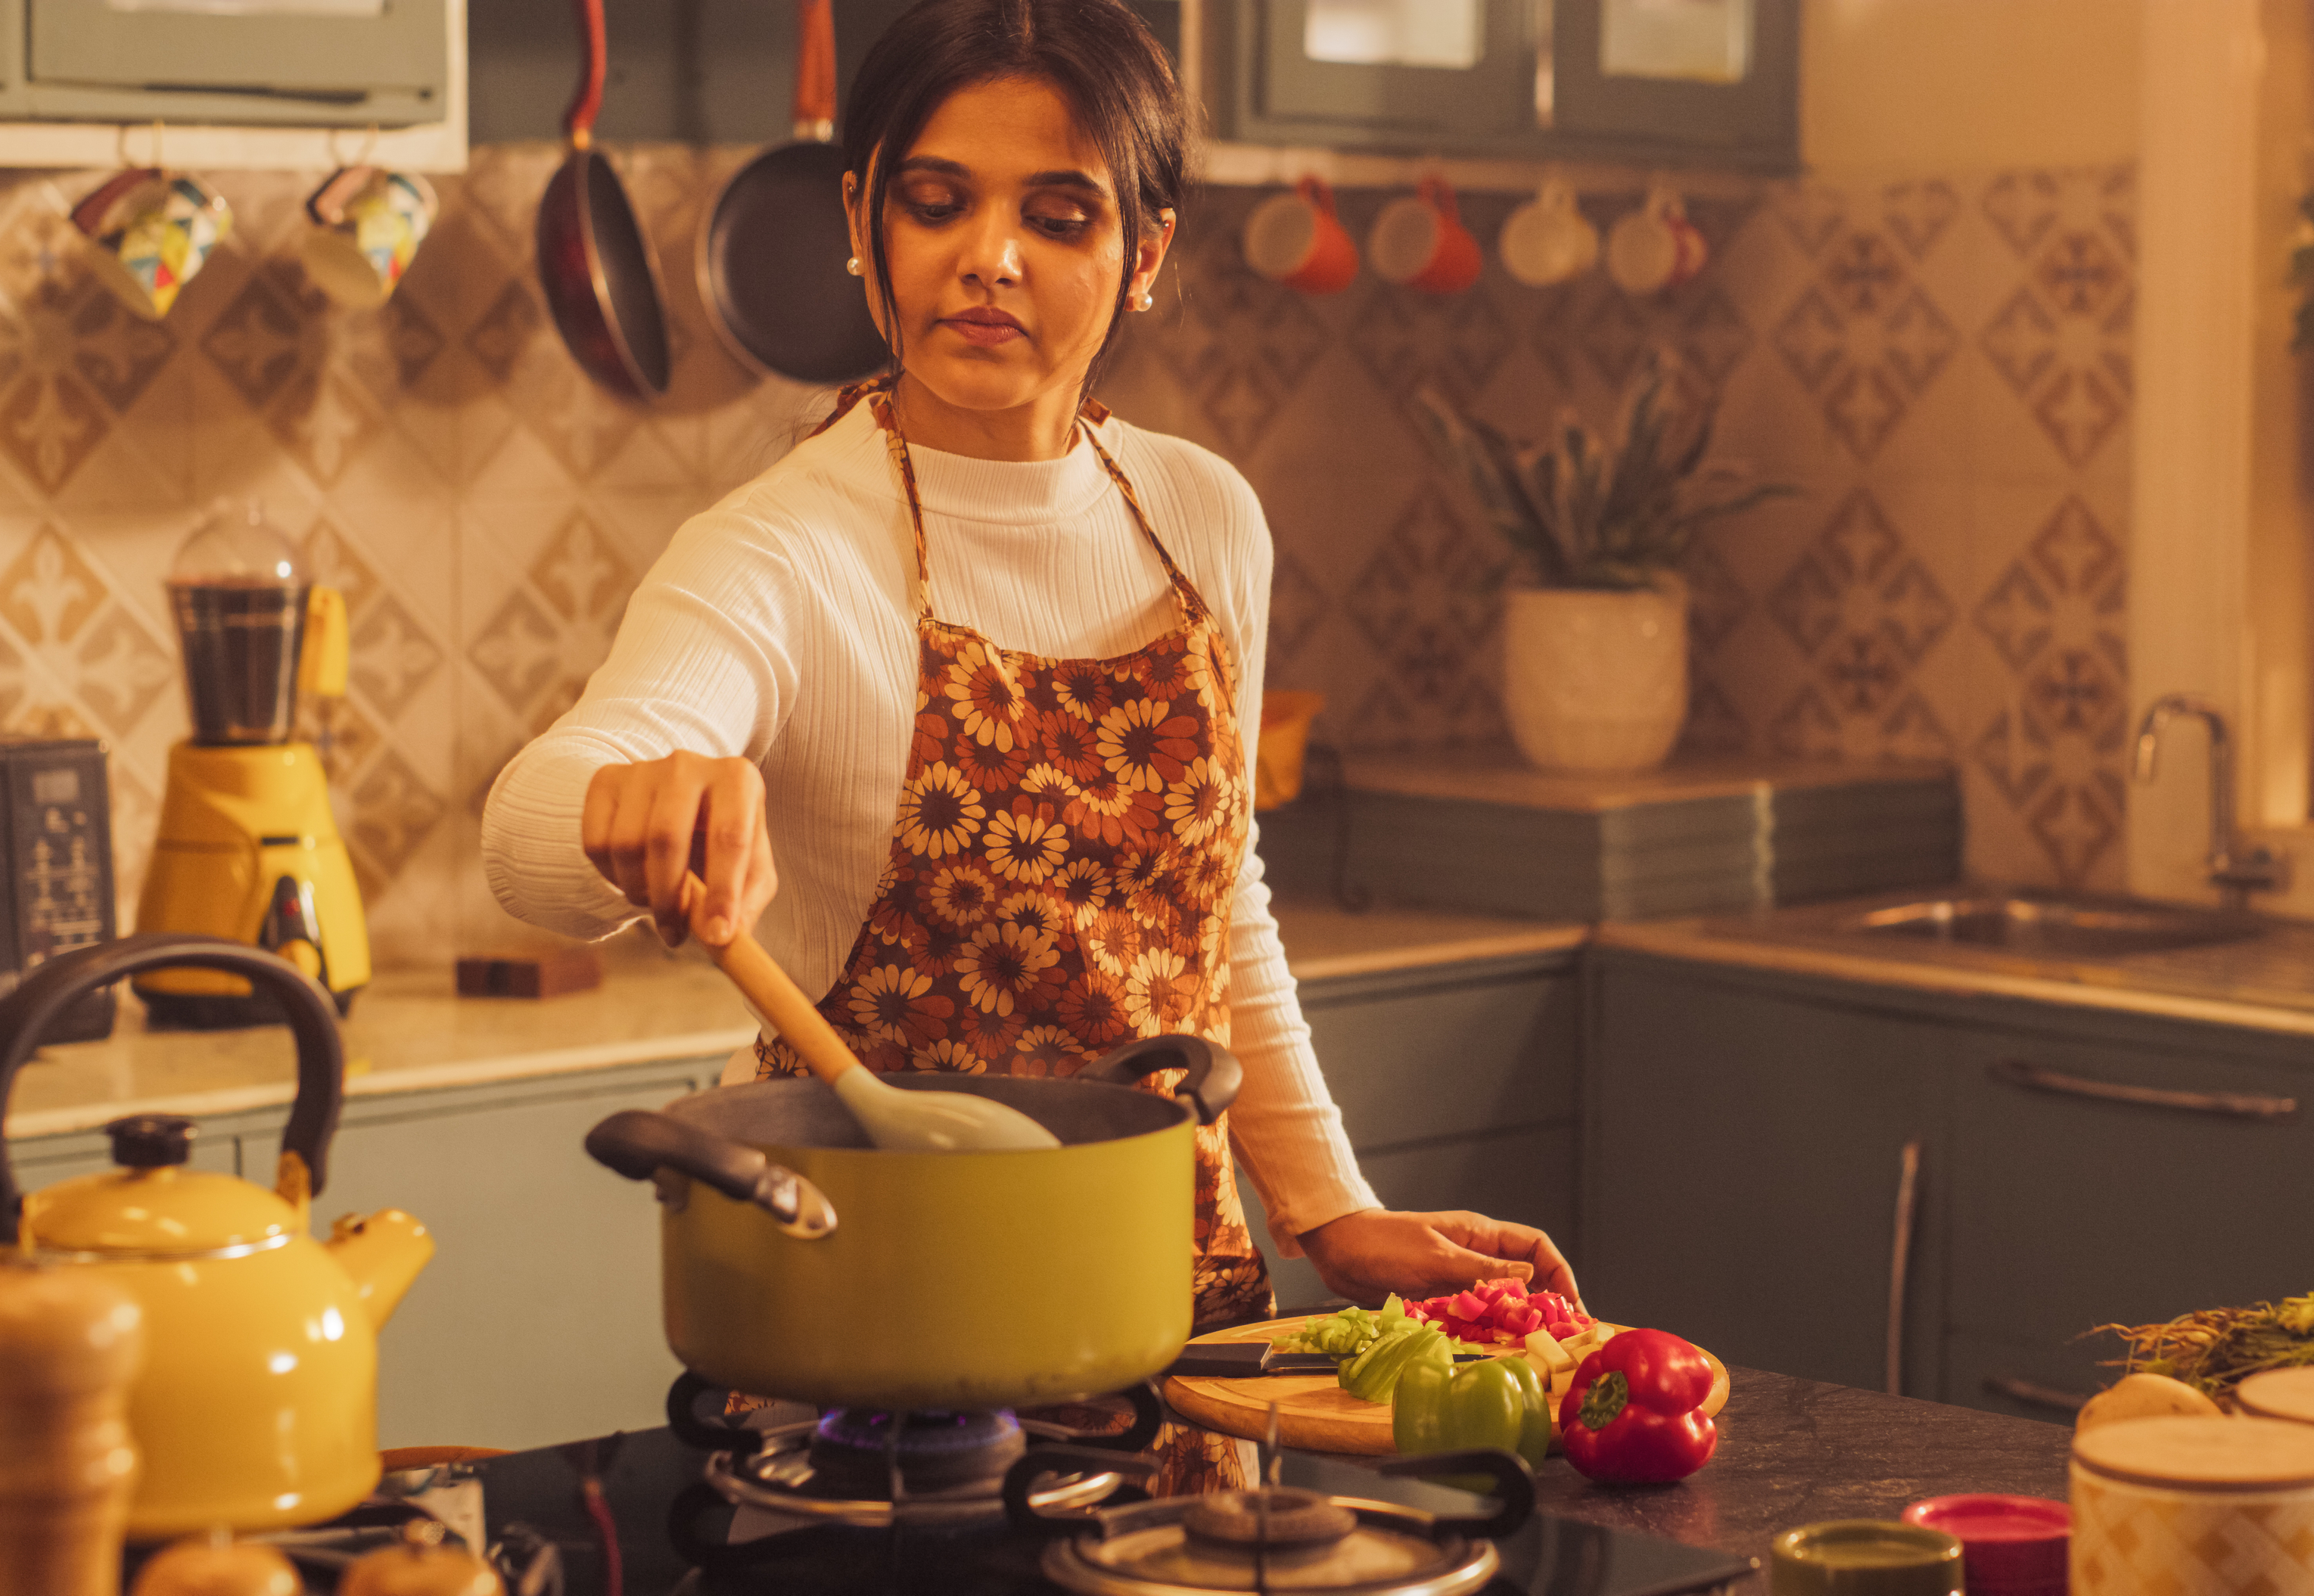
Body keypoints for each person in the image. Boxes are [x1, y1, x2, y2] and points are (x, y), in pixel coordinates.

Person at [481, 0, 1575, 1491]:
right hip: (879, 1347)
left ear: (1144, 254)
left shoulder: (1202, 515)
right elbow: (534, 825)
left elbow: (1214, 911)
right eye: (936, 201)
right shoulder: (781, 551)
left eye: (1057, 214)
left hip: (1181, 1338)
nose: (988, 255)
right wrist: (629, 795)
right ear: (861, 222)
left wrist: (1327, 1209)